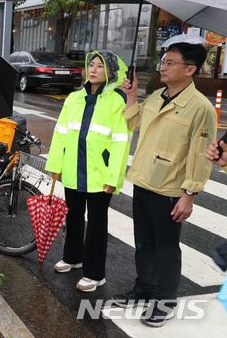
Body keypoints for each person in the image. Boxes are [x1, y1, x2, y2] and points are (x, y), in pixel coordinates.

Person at [114, 42, 216, 328]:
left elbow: (200, 155)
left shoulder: (201, 108)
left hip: (171, 189)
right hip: (144, 179)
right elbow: (133, 124)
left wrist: (189, 194)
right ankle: (144, 288)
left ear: (190, 69)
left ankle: (165, 300)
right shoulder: (158, 96)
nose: (163, 65)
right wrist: (132, 97)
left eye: (171, 62)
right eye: (164, 60)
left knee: (167, 247)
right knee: (144, 242)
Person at [45, 51, 131, 292]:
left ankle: (95, 273)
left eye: (100, 66)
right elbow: (61, 132)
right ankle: (73, 258)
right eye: (91, 65)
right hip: (73, 169)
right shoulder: (74, 98)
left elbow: (121, 142)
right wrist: (55, 165)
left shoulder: (117, 101)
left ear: (110, 72)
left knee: (96, 224)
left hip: (99, 174)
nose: (93, 70)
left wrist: (113, 178)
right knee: (72, 216)